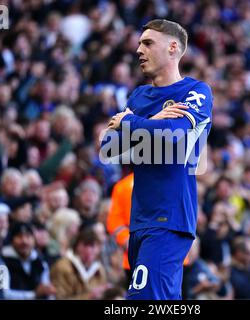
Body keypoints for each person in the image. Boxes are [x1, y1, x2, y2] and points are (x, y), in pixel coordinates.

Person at [101, 19, 213, 300]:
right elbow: (108, 147)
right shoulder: (139, 96)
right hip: (139, 221)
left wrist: (132, 124)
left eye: (148, 43)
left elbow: (173, 136)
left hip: (169, 218)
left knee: (143, 300)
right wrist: (150, 122)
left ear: (173, 48)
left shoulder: (196, 92)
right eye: (139, 43)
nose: (139, 49)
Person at [1, 222, 56, 300]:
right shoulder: (1, 263)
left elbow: (46, 288)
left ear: (34, 240)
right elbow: (2, 294)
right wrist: (33, 295)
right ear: (12, 240)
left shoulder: (40, 263)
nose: (24, 241)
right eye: (19, 237)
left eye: (28, 236)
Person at [50, 227, 108, 299]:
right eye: (85, 245)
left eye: (93, 246)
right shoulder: (63, 267)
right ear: (77, 246)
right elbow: (59, 298)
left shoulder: (99, 270)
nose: (89, 250)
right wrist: (89, 296)